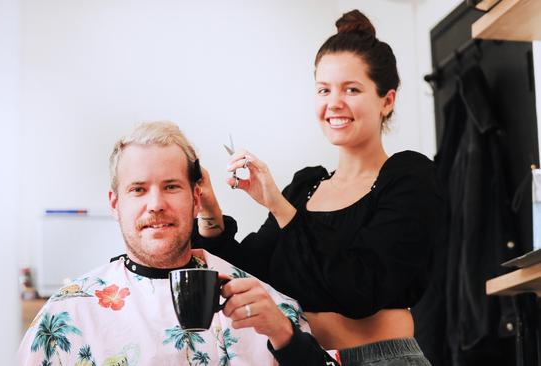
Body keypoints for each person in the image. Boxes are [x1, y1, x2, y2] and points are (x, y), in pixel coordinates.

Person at [193, 10, 443, 366]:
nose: (334, 103)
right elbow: (252, 273)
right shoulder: (306, 186)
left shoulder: (410, 179)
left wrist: (279, 206)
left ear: (387, 100)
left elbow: (359, 291)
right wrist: (209, 211)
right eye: (324, 89)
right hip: (305, 358)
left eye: (351, 89)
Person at [17, 121, 339, 366]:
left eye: (171, 186)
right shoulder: (67, 315)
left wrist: (284, 336)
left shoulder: (265, 308)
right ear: (115, 204)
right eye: (139, 189)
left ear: (197, 198)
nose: (155, 204)